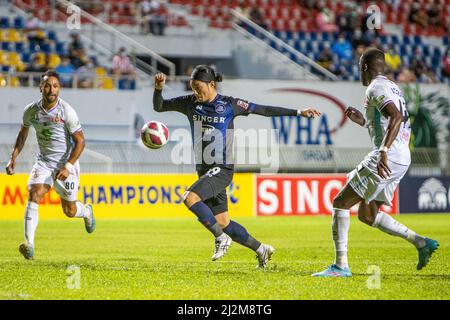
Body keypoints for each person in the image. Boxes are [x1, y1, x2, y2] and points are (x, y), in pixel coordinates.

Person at [153, 65, 321, 268]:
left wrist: (298, 112)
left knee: (190, 198)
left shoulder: (230, 104)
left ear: (211, 84)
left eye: (198, 87)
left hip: (222, 169)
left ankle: (221, 239)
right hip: (205, 171)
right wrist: (159, 88)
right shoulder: (189, 103)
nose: (195, 91)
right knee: (223, 222)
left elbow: (263, 110)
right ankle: (261, 249)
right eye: (192, 87)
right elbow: (159, 106)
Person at [312, 48, 439, 277]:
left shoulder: (376, 87)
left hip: (388, 156)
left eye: (360, 67)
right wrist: (363, 122)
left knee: (340, 202)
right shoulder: (392, 87)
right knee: (367, 214)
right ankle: (421, 243)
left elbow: (396, 117)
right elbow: (389, 120)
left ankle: (341, 267)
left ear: (364, 68)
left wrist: (383, 151)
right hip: (401, 157)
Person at [5, 70, 96, 260]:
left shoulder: (67, 111)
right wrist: (13, 156)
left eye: (55, 86)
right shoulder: (31, 111)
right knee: (34, 193)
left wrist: (68, 166)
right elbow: (23, 134)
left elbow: (80, 141)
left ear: (59, 88)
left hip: (66, 164)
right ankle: (29, 244)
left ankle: (86, 211)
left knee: (69, 211)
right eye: (47, 85)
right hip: (44, 162)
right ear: (41, 87)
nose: (51, 89)